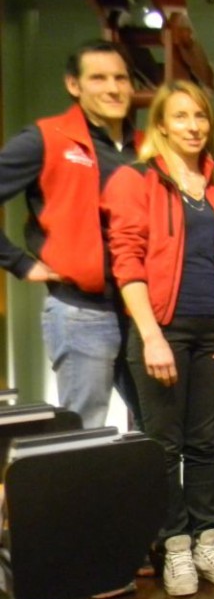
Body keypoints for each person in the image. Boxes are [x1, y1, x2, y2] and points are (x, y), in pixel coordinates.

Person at [104, 80, 214, 597]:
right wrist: (150, 336)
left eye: (200, 117)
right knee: (164, 447)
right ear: (162, 125)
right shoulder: (136, 180)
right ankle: (175, 547)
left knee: (206, 443)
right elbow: (127, 261)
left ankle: (207, 540)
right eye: (182, 116)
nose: (193, 126)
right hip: (162, 331)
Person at [0, 40, 141, 429]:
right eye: (99, 78)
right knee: (84, 433)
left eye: (120, 78)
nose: (113, 88)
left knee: (158, 432)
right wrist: (20, 264)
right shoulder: (46, 139)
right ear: (73, 85)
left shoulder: (147, 147)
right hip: (82, 312)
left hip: (144, 315)